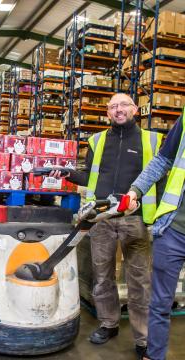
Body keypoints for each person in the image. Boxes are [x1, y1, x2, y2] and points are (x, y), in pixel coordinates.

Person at [51, 93, 163, 359]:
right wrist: (67, 174)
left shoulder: (152, 140)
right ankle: (109, 324)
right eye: (113, 107)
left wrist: (157, 217)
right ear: (108, 113)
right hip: (101, 217)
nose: (118, 110)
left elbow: (160, 178)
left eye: (123, 105)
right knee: (102, 277)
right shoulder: (97, 140)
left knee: (139, 281)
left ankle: (144, 338)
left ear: (135, 109)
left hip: (135, 219)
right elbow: (91, 175)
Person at [127, 107, 185, 360]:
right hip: (174, 228)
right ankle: (154, 355)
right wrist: (135, 190)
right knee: (160, 304)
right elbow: (163, 159)